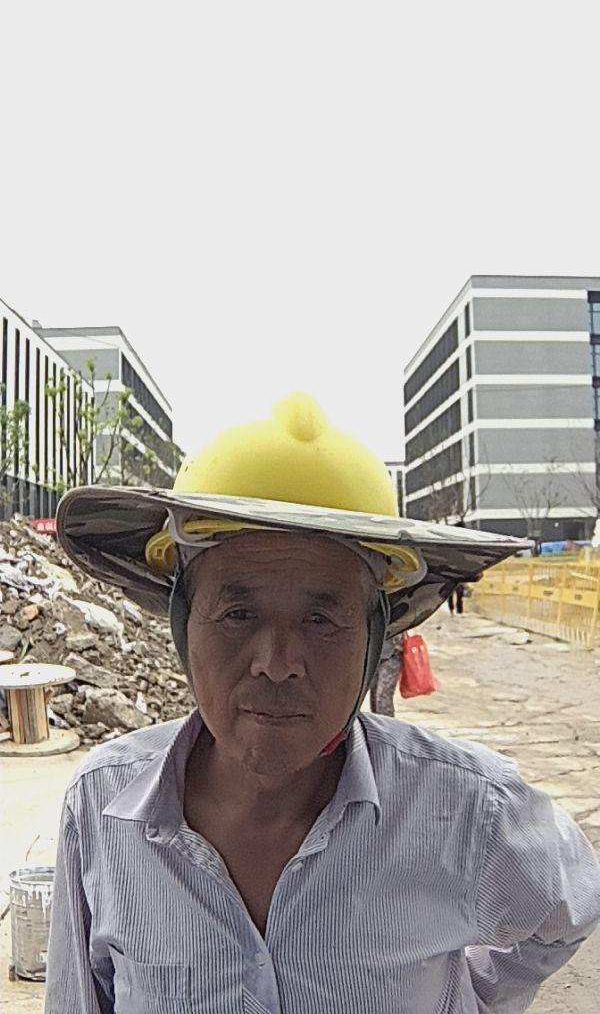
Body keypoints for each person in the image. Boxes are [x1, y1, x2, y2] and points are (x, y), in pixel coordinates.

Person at [46, 393, 600, 1013]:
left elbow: (571, 909)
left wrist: (470, 999)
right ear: (183, 626)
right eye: (238, 613)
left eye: (321, 619)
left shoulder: (469, 809)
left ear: (373, 639)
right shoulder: (102, 805)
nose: (277, 662)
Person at [369, 634, 403, 716]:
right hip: (374, 652)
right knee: (374, 695)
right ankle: (378, 721)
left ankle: (386, 721)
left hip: (393, 653)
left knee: (382, 696)